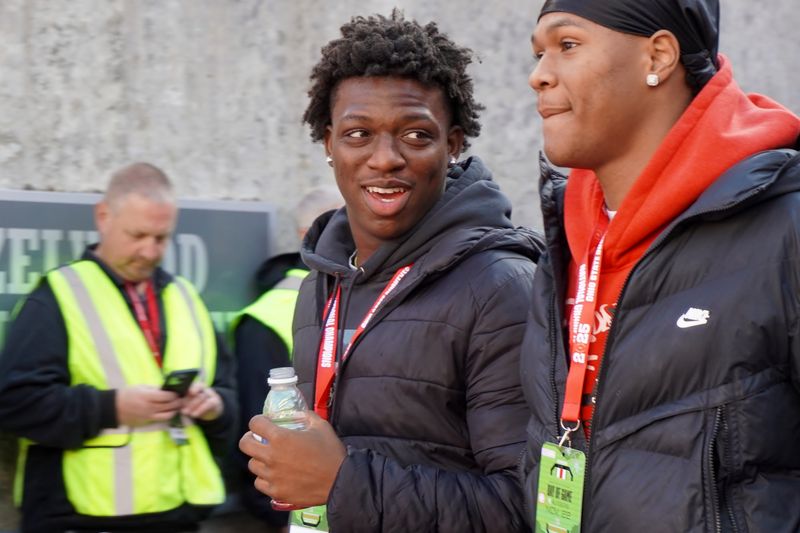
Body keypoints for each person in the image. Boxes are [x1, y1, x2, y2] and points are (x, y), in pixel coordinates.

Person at [239, 10, 543, 532]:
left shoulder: (501, 288)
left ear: (453, 145)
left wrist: (343, 482)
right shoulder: (320, 285)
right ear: (328, 144)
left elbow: (525, 508)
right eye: (358, 134)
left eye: (416, 136)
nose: (385, 159)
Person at [521, 0, 800, 531]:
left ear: (659, 55)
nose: (539, 75)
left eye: (567, 45)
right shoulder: (564, 248)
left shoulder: (785, 228)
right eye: (538, 53)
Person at [0, 162, 238, 533]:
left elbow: (228, 394)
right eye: (137, 234)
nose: (149, 251)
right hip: (79, 519)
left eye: (161, 238)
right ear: (103, 216)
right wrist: (112, 407)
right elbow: (15, 404)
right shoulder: (56, 297)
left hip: (177, 514)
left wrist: (214, 406)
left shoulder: (186, 298)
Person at [229, 186, 342, 530]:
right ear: (308, 234)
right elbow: (258, 431)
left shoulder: (359, 295)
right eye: (345, 223)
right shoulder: (266, 316)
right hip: (300, 516)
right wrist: (283, 518)